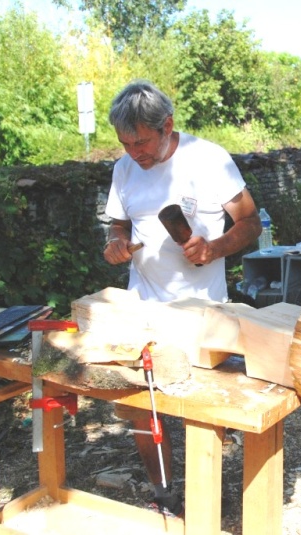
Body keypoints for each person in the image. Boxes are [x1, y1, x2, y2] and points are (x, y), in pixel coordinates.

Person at [102, 80, 262, 516]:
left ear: (167, 125)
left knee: (200, 408)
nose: (135, 152)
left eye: (141, 141)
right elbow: (118, 225)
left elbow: (251, 224)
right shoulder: (124, 169)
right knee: (141, 403)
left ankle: (209, 497)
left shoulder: (209, 160)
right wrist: (115, 243)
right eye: (125, 143)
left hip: (203, 312)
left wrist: (214, 248)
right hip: (144, 308)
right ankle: (165, 493)